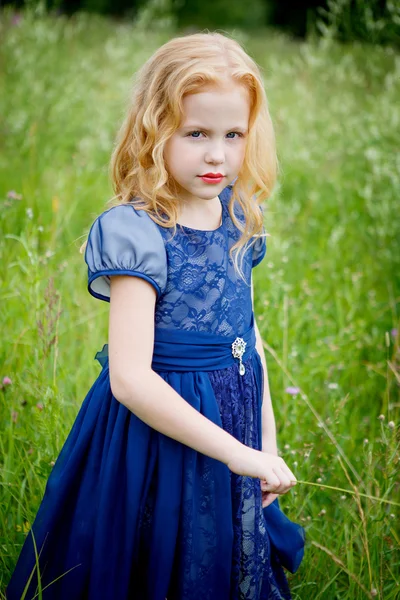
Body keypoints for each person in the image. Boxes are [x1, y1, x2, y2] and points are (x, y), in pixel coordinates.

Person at [6, 31, 305, 600]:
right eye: (196, 134)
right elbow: (130, 378)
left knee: (217, 551)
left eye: (233, 135)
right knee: (157, 552)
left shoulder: (237, 216)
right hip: (158, 430)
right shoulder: (139, 232)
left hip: (233, 417)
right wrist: (239, 453)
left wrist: (263, 443)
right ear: (153, 132)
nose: (217, 154)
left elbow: (249, 335)